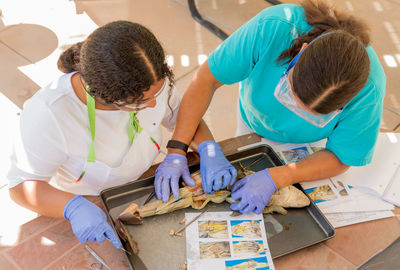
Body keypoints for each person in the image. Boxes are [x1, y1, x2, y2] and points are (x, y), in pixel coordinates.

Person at [7, 21, 232, 248]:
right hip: (89, 200)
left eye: (159, 92)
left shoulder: (148, 79)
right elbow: (20, 186)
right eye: (142, 102)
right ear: (104, 95)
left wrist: (206, 148)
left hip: (142, 182)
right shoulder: (48, 114)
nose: (155, 103)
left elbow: (184, 116)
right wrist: (72, 207)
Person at [156, 0, 386, 215]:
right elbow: (205, 80)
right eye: (290, 94)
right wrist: (179, 148)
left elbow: (342, 156)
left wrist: (277, 177)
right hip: (253, 123)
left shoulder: (370, 89)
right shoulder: (271, 28)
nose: (292, 111)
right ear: (301, 51)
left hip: (312, 148)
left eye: (310, 114)